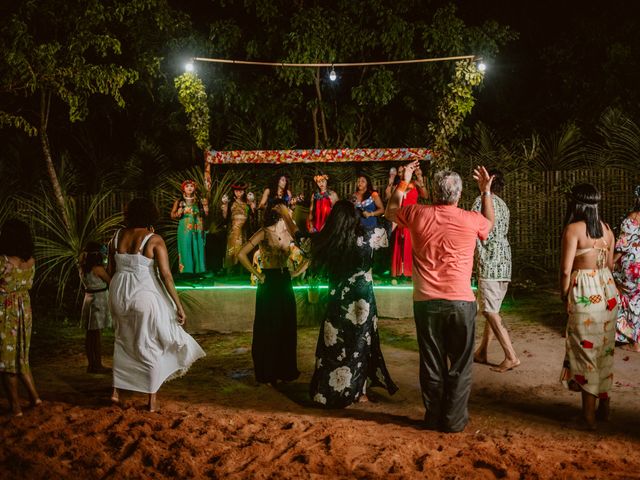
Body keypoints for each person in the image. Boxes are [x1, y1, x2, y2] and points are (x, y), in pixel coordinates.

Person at [385, 162, 494, 433]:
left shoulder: (418, 214)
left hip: (426, 301)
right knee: (460, 364)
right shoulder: (470, 219)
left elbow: (390, 211)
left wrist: (403, 182)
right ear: (457, 195)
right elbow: (489, 224)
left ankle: (433, 416)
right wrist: (485, 193)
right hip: (461, 302)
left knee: (431, 361)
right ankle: (454, 420)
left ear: (434, 192)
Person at [108, 198, 206, 412]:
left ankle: (115, 392)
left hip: (117, 292)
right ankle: (151, 400)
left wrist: (118, 288)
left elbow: (110, 271)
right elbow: (166, 276)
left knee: (122, 339)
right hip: (143, 294)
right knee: (149, 344)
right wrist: (178, 306)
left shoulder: (115, 237)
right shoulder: (153, 240)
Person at [308, 200, 398, 408]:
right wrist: (402, 186)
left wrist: (286, 214)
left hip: (336, 302)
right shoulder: (367, 238)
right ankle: (358, 392)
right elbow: (392, 219)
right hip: (361, 304)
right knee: (360, 346)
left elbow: (297, 234)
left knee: (333, 347)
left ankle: (325, 392)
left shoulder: (327, 240)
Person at [559, 184, 618, 429]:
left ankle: (588, 417)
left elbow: (565, 269)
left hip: (585, 294)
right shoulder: (607, 230)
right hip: (608, 293)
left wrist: (565, 295)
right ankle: (604, 409)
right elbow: (611, 267)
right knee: (604, 351)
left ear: (576, 204)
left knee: (585, 354)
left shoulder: (573, 230)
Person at [236, 200, 300, 385]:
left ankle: (285, 371)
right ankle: (268, 372)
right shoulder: (264, 232)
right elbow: (241, 254)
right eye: (286, 209)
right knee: (268, 327)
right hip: (269, 281)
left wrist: (296, 272)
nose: (290, 211)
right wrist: (257, 274)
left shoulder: (290, 232)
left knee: (286, 326)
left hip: (284, 281)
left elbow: (307, 252)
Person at [471, 170, 520, 372]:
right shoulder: (504, 205)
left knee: (490, 311)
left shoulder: (480, 201)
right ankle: (482, 351)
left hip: (489, 261)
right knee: (493, 309)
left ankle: (511, 356)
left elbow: (474, 229)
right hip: (504, 261)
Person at [0, 219, 42, 417]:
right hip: (24, 311)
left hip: (5, 313)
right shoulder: (30, 261)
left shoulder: (4, 262)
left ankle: (15, 406)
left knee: (6, 360)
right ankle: (35, 397)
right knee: (22, 356)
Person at [385, 166, 427, 280]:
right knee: (400, 243)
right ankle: (400, 272)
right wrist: (391, 181)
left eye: (403, 171)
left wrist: (420, 178)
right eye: (400, 172)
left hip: (413, 217)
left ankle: (411, 272)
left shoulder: (415, 183)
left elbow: (425, 195)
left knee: (412, 243)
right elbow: (388, 197)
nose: (401, 173)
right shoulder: (398, 186)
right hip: (400, 217)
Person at [613, 185, 640, 351]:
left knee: (627, 298)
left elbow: (622, 246)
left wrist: (609, 263)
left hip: (633, 266)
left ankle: (633, 341)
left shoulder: (633, 218)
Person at [79, 242, 112, 374]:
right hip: (99, 299)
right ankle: (97, 364)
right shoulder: (98, 269)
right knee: (97, 335)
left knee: (90, 334)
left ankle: (91, 364)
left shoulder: (83, 267)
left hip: (88, 298)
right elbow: (110, 280)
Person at [170, 179, 208, 275]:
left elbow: (205, 215)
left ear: (194, 188)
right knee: (186, 247)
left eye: (191, 186)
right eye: (187, 186)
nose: (189, 188)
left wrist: (206, 208)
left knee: (198, 248)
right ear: (183, 189)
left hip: (198, 229)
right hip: (185, 229)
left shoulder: (199, 201)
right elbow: (172, 216)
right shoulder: (179, 201)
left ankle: (199, 272)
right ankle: (187, 272)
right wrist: (178, 213)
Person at [221, 183, 256, 275]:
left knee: (243, 247)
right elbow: (225, 216)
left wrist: (252, 205)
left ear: (244, 192)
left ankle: (243, 269)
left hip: (244, 229)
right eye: (236, 191)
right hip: (233, 229)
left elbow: (253, 215)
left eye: (241, 191)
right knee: (232, 248)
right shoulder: (231, 202)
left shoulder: (247, 202)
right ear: (234, 192)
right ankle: (230, 270)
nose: (239, 193)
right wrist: (225, 206)